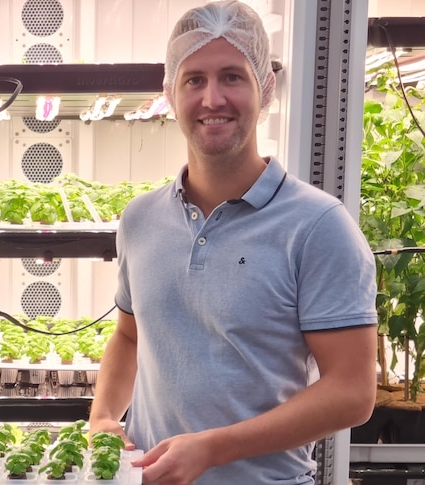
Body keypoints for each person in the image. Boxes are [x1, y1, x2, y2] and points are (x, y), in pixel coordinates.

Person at [87, 1, 377, 484]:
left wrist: (215, 449)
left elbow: (352, 391)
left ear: (264, 89)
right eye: (194, 80)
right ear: (170, 93)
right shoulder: (141, 218)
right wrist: (102, 418)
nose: (212, 99)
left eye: (232, 77)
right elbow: (129, 335)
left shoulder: (318, 226)